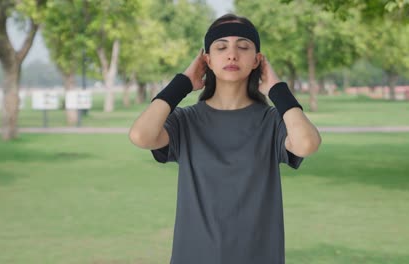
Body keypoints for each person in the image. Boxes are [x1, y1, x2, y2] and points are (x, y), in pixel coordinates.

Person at [129, 13, 321, 264]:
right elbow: (140, 136)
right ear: (206, 60)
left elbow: (307, 143)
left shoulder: (273, 122)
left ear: (257, 60)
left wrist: (276, 88)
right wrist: (183, 82)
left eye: (243, 47)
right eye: (221, 47)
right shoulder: (185, 121)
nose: (232, 54)